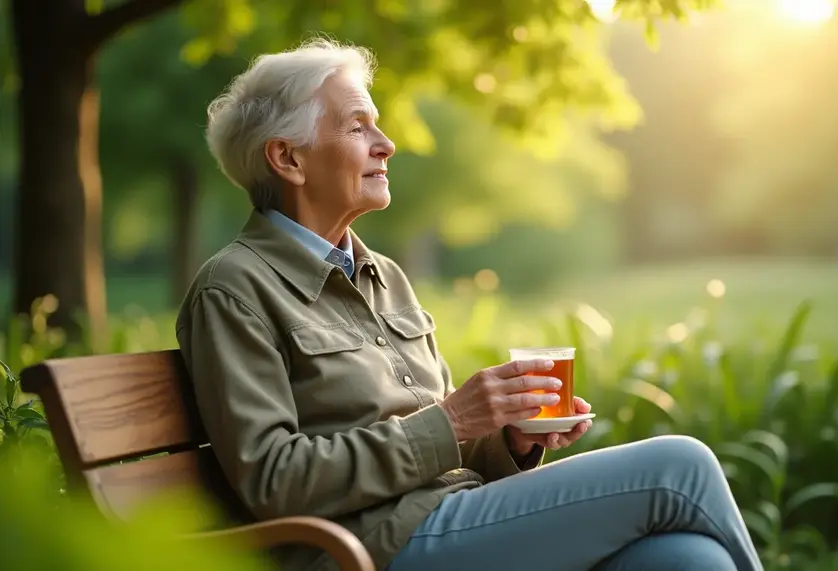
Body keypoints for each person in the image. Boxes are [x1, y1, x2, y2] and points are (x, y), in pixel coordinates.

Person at [176, 37, 764, 571]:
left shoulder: (384, 276)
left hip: (455, 516)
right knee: (679, 465)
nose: (388, 144)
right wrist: (454, 419)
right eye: (358, 127)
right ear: (289, 159)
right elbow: (275, 480)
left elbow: (444, 442)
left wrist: (507, 439)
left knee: (687, 558)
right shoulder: (235, 289)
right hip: (366, 548)